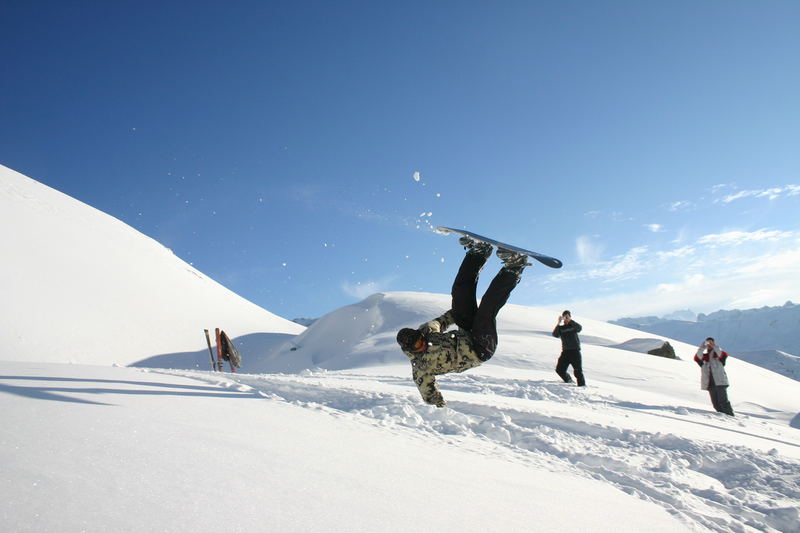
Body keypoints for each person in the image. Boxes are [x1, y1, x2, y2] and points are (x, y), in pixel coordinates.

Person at [396, 237, 531, 407]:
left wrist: (462, 308)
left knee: (459, 291)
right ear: (409, 350)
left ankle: (478, 254)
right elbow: (428, 392)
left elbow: (445, 319)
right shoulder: (420, 368)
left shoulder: (426, 332)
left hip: (466, 333)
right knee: (486, 310)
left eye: (420, 340)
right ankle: (514, 268)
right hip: (480, 349)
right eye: (416, 346)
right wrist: (440, 406)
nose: (421, 345)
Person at [694, 337, 734, 416]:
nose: (709, 344)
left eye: (711, 342)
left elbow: (721, 354)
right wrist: (702, 348)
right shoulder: (705, 357)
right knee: (715, 403)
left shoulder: (719, 355)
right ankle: (723, 417)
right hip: (710, 384)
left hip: (720, 382)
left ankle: (730, 416)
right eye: (708, 343)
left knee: (723, 402)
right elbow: (697, 358)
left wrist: (715, 347)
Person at [552, 310, 585, 386]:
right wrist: (558, 323)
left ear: (570, 317)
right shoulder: (561, 328)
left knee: (578, 371)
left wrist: (570, 321)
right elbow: (555, 334)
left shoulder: (573, 326)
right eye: (565, 317)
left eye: (567, 316)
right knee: (559, 370)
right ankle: (569, 381)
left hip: (575, 351)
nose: (566, 318)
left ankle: (582, 386)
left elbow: (579, 328)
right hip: (565, 352)